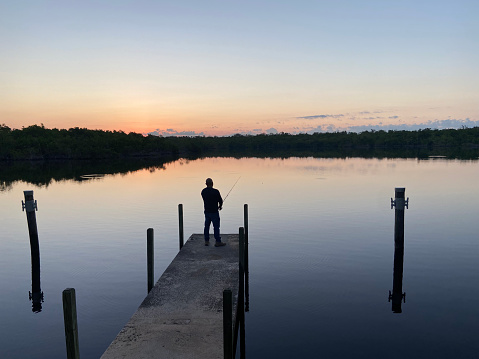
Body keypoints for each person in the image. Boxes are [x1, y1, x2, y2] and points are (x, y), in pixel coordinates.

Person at [201, 178, 225, 247]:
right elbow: (220, 201)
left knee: (206, 226)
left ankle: (206, 241)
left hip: (207, 212)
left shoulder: (203, 191)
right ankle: (217, 241)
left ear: (206, 184)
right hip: (214, 212)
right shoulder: (216, 191)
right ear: (212, 183)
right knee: (216, 227)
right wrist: (220, 206)